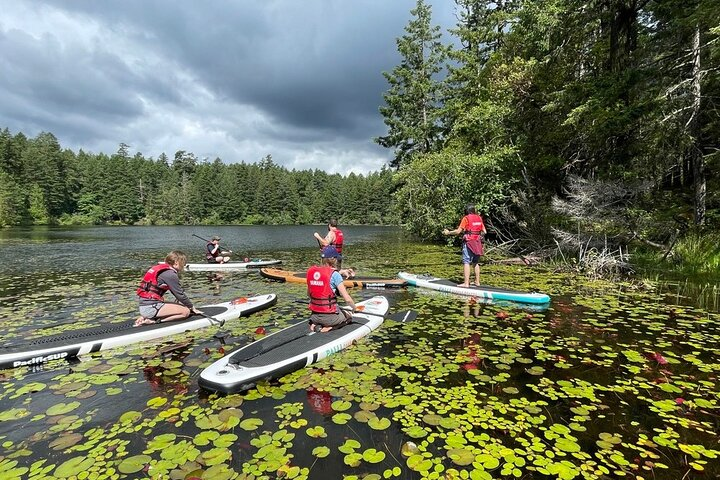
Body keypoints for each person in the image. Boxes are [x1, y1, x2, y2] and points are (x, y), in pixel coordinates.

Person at [135, 250, 203, 327]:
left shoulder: (160, 269)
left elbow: (176, 293)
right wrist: (192, 307)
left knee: (182, 306)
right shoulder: (170, 274)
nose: (183, 267)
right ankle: (155, 321)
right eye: (183, 264)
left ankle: (147, 315)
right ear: (177, 263)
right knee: (185, 312)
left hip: (146, 305)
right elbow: (179, 294)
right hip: (150, 307)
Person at [306, 246, 356, 333]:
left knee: (335, 313)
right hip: (329, 319)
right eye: (337, 258)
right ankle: (330, 328)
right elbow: (347, 299)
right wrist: (354, 308)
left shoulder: (312, 272)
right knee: (349, 316)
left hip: (314, 316)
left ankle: (313, 324)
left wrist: (342, 271)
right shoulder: (335, 275)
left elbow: (309, 294)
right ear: (334, 259)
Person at [442, 204, 487, 287]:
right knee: (475, 262)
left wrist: (448, 233)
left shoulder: (466, 218)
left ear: (466, 211)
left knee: (466, 261)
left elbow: (458, 231)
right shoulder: (479, 218)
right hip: (478, 242)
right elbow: (484, 231)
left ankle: (466, 283)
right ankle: (477, 282)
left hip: (469, 242)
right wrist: (476, 234)